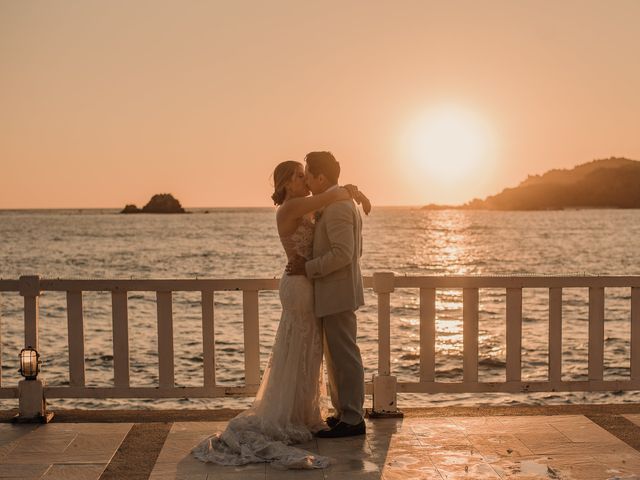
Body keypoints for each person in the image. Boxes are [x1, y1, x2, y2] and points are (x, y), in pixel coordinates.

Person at [192, 159, 370, 469]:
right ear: (287, 183)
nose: (304, 180)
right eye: (299, 176)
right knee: (299, 347)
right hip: (300, 284)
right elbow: (329, 197)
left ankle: (305, 412)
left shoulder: (308, 205)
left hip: (311, 282)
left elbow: (335, 222)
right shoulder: (290, 208)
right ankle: (292, 414)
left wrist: (348, 193)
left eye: (306, 175)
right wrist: (349, 191)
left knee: (309, 350)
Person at [286, 151, 367, 438]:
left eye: (308, 174)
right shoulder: (336, 202)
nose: (306, 179)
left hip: (338, 292)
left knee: (345, 356)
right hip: (336, 291)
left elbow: (343, 254)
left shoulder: (338, 207)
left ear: (321, 177)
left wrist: (308, 268)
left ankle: (354, 418)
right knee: (337, 356)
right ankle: (343, 412)